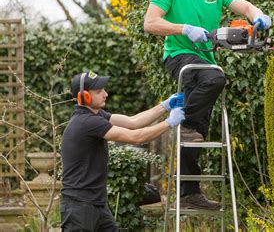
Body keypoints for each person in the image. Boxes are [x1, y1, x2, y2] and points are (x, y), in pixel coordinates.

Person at [143, 0, 272, 210]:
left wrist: (258, 16)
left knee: (196, 124)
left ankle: (190, 193)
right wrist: (183, 28)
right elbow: (150, 23)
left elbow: (246, 6)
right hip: (179, 57)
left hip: (205, 61)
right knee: (215, 79)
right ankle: (188, 126)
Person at [60, 70, 184, 232]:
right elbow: (136, 137)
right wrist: (169, 122)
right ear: (84, 97)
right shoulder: (87, 122)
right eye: (99, 91)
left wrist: (165, 105)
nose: (106, 94)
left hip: (97, 204)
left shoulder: (97, 116)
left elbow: (133, 122)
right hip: (79, 207)